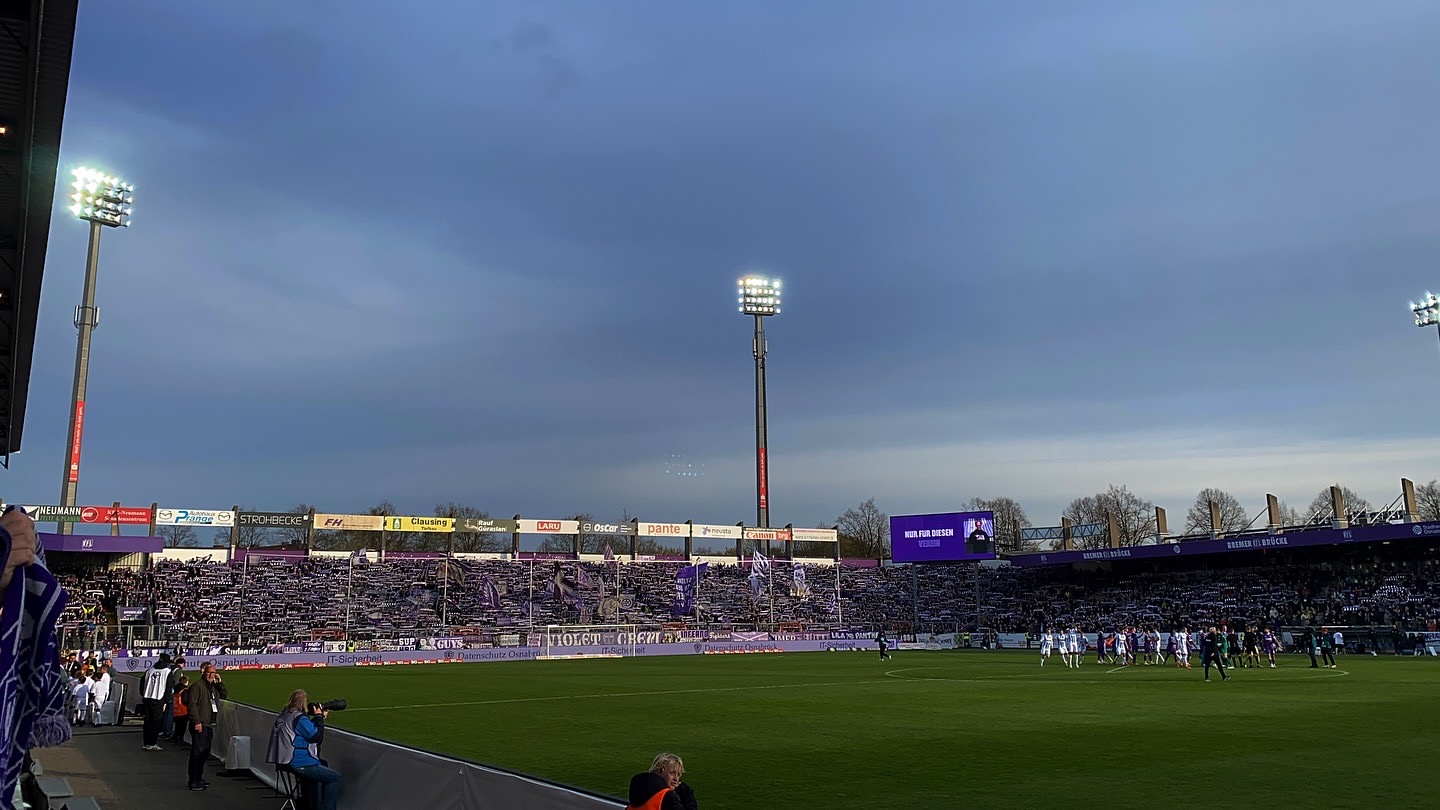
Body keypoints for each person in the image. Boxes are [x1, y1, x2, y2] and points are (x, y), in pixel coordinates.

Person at [291, 701, 342, 810]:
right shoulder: (300, 719)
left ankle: (316, 806)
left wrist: (319, 718)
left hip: (292, 760)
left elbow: (308, 730)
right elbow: (316, 738)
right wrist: (319, 717)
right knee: (335, 778)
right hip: (300, 762)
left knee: (323, 766)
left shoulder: (291, 717)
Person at [185, 662, 227, 791]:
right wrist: (197, 721)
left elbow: (224, 695)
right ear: (204, 673)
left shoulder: (213, 687)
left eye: (213, 673)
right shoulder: (197, 687)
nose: (211, 675)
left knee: (204, 753)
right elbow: (192, 705)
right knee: (197, 753)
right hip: (201, 724)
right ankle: (194, 780)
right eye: (209, 672)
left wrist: (220, 683)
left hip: (209, 724)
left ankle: (199, 778)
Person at [626, 752, 697, 810]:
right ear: (660, 771)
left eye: (678, 774)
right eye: (672, 773)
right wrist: (686, 791)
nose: (676, 779)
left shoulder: (637, 787)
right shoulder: (666, 796)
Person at [139, 653, 173, 750]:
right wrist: (166, 701)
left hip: (147, 698)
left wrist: (143, 694)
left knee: (147, 721)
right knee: (155, 722)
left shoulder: (149, 670)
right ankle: (152, 743)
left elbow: (142, 683)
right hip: (159, 698)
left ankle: (146, 743)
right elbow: (168, 687)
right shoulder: (167, 672)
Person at [162, 656, 186, 740]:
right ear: (182, 664)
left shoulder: (171, 668)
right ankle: (168, 732)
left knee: (167, 713)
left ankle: (164, 730)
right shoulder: (177, 670)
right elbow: (176, 683)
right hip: (172, 693)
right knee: (170, 714)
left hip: (167, 692)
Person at [170, 675, 190, 746]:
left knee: (177, 727)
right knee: (182, 727)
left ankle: (174, 739)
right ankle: (180, 740)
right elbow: (185, 700)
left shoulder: (176, 689)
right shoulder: (184, 690)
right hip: (183, 710)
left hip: (176, 710)